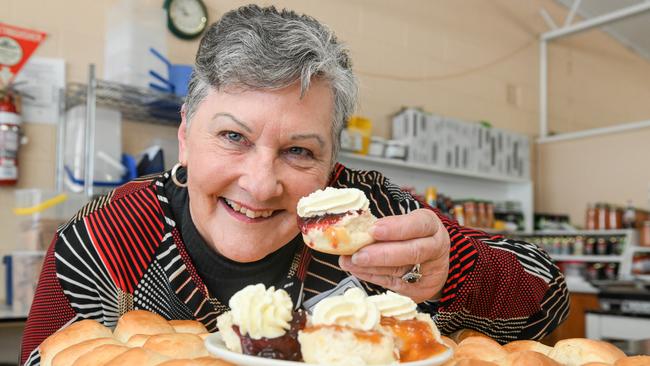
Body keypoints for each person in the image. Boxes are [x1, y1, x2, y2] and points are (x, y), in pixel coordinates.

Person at [21, 5, 568, 365]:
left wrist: (458, 272)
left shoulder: (372, 219)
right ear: (185, 136)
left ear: (333, 164)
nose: (260, 186)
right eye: (233, 136)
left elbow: (549, 303)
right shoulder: (107, 238)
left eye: (299, 151)